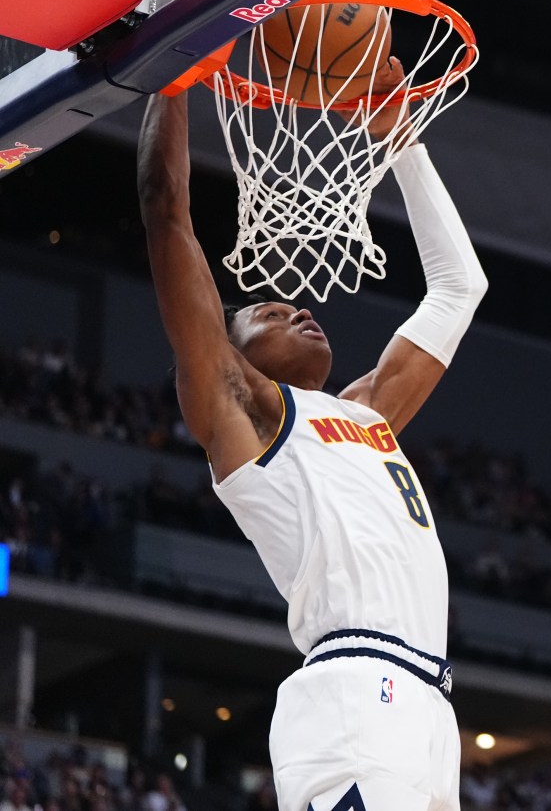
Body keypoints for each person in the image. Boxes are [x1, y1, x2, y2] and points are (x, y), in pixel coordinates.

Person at [137, 58, 488, 811]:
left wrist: (401, 141)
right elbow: (166, 212)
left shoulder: (369, 413)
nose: (294, 308)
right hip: (355, 699)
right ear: (230, 354)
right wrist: (173, 74)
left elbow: (462, 286)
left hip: (428, 709)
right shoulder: (245, 414)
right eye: (266, 311)